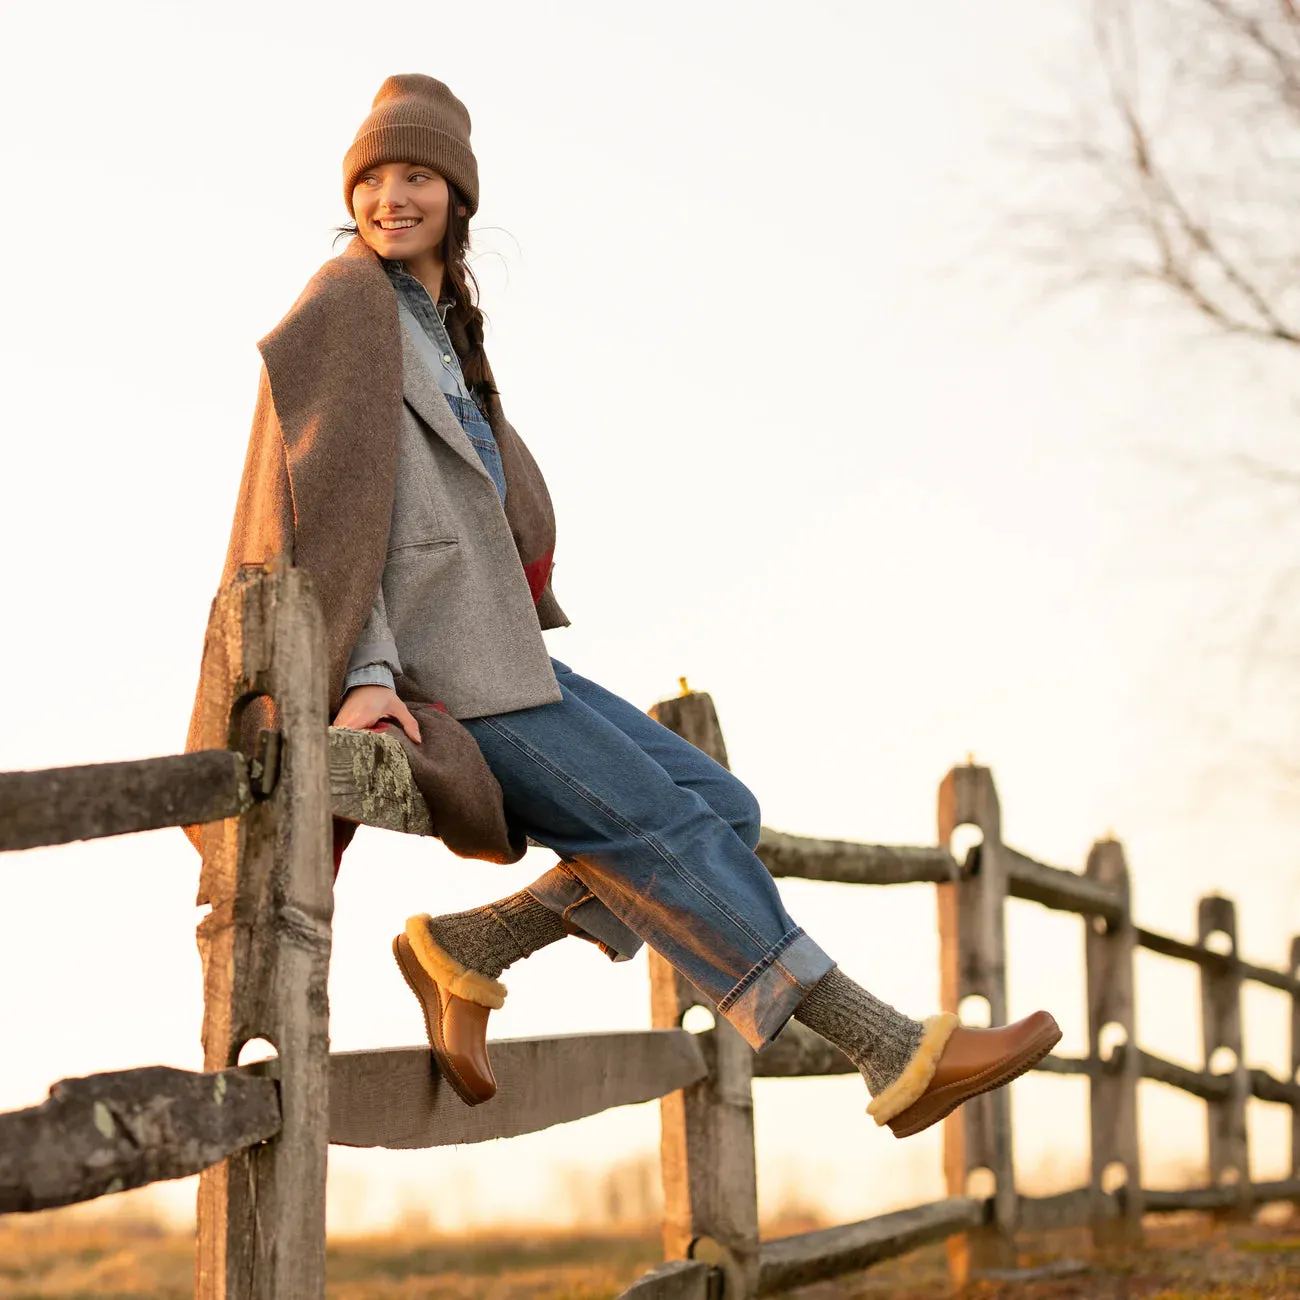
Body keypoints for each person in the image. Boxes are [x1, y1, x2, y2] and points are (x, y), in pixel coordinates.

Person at [195, 72, 1061, 1140]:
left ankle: (467, 952)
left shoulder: (438, 324)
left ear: (456, 195)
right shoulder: (347, 303)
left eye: (416, 175)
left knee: (724, 810)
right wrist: (365, 675)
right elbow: (322, 507)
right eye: (373, 179)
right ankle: (888, 1049)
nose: (392, 197)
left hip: (497, 647)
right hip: (437, 662)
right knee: (656, 829)